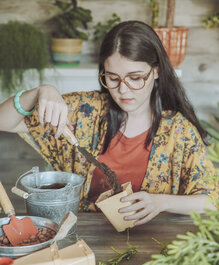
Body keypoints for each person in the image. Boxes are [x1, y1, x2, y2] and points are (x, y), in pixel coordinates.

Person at [0, 20, 218, 226]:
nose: (123, 90)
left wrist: (161, 202)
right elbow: (4, 121)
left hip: (153, 243)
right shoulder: (84, 111)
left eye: (135, 78)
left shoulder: (178, 131)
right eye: (113, 78)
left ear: (156, 71)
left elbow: (212, 200)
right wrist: (38, 92)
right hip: (84, 237)